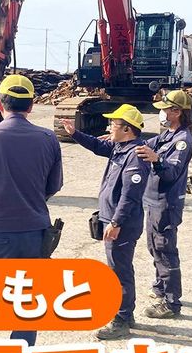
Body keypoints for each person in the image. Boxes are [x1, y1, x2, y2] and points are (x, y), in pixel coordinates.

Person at [0, 74, 63, 347]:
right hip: (35, 234)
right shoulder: (48, 138)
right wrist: (31, 199)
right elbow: (54, 185)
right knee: (27, 305)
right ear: (31, 105)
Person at [61, 104, 150, 340]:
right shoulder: (120, 148)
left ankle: (121, 320)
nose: (110, 127)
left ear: (127, 129)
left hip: (123, 224)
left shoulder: (136, 156)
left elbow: (130, 195)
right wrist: (74, 133)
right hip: (114, 220)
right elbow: (97, 145)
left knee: (119, 272)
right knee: (119, 268)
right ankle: (126, 314)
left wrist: (116, 222)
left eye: (114, 124)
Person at [135, 89, 192, 319]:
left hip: (167, 205)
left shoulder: (182, 141)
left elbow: (171, 173)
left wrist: (157, 159)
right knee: (154, 247)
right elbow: (145, 144)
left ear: (176, 112)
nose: (161, 113)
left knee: (165, 250)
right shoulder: (168, 135)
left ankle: (171, 303)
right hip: (154, 201)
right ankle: (160, 287)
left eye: (165, 109)